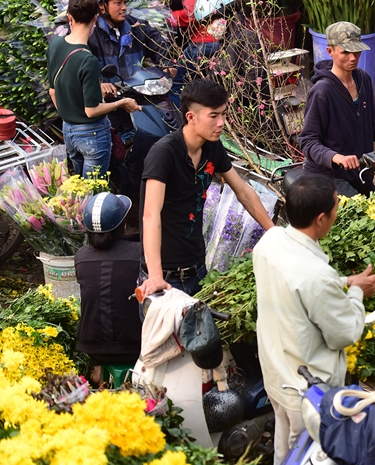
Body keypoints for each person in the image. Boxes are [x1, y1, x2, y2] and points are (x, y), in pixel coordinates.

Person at [253, 173, 375, 465]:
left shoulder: (270, 241)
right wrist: (356, 292)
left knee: (283, 454)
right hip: (307, 392)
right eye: (336, 207)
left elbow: (297, 284)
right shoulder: (315, 274)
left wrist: (345, 281)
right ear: (321, 219)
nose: (338, 211)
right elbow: (344, 333)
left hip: (276, 373)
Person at [138, 78, 275, 297]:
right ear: (191, 117)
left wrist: (274, 231)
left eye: (223, 114)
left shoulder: (213, 147)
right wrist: (156, 276)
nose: (221, 122)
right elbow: (151, 215)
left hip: (198, 270)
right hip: (164, 277)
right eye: (214, 116)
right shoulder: (164, 153)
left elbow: (243, 191)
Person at [297, 22, 375, 197]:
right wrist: (336, 157)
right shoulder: (322, 92)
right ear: (330, 52)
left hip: (360, 175)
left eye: (356, 51)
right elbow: (307, 141)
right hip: (328, 178)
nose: (353, 58)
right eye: (345, 52)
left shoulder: (362, 79)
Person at [47, 0, 141, 177]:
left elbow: (53, 91)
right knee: (92, 191)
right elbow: (91, 110)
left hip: (68, 131)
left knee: (81, 188)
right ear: (96, 18)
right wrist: (122, 102)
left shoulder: (55, 44)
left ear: (69, 17)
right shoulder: (87, 59)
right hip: (92, 135)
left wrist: (71, 118)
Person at [75, 192, 143, 385]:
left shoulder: (81, 256)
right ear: (122, 225)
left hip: (92, 346)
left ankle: (98, 371)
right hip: (135, 345)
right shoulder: (140, 252)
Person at [88, 0, 172, 95]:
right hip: (108, 101)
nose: (124, 7)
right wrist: (99, 84)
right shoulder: (90, 33)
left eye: (124, 3)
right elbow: (83, 68)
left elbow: (157, 43)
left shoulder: (137, 27)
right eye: (118, 3)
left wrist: (166, 64)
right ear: (102, 6)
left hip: (138, 96)